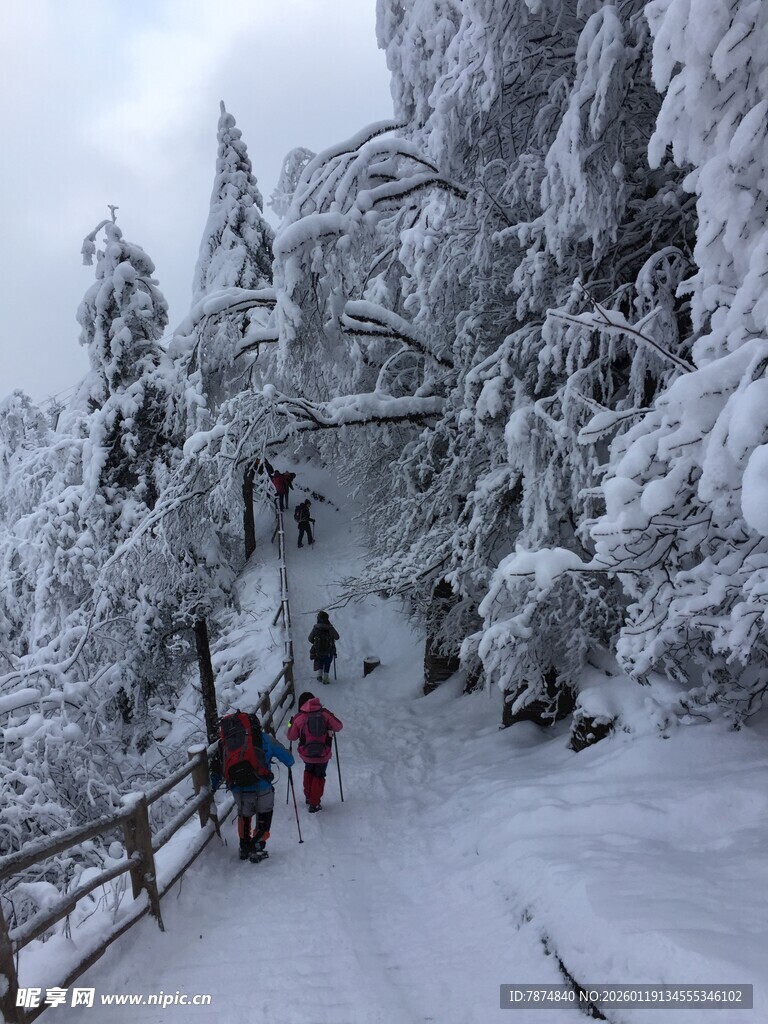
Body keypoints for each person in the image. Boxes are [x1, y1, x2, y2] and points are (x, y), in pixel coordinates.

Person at [210, 712, 294, 862]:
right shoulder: (263, 738)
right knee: (264, 814)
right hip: (262, 785)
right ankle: (257, 847)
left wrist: (213, 786)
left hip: (238, 787)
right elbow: (288, 758)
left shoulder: (226, 743)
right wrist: (289, 760)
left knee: (244, 815)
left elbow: (216, 768)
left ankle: (244, 848)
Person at [287, 692, 343, 812]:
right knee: (319, 775)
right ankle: (315, 803)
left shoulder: (299, 717)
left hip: (306, 754)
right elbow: (339, 726)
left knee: (309, 770)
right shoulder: (325, 713)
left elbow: (291, 737)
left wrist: (290, 724)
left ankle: (308, 796)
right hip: (323, 753)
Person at [308, 610, 339, 684]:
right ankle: (325, 678)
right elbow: (337, 637)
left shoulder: (316, 628)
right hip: (329, 651)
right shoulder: (330, 628)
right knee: (327, 663)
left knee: (320, 661)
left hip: (318, 651)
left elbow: (310, 638)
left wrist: (315, 643)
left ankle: (319, 676)